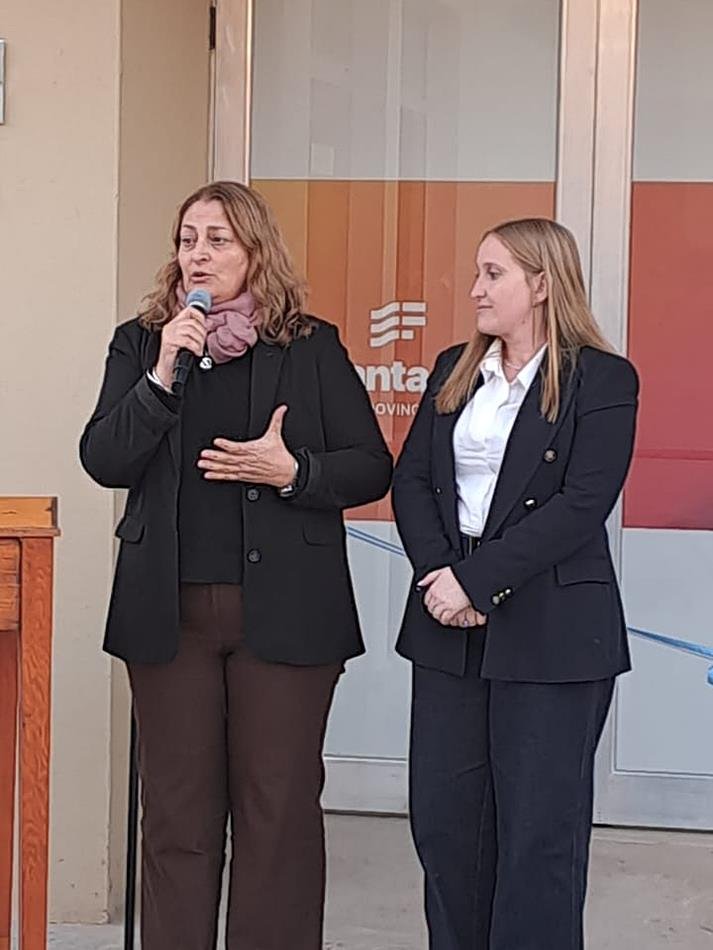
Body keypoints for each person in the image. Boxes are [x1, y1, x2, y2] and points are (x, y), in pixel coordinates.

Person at [80, 180, 392, 950]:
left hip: (285, 615)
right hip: (170, 619)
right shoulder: (143, 342)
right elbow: (104, 459)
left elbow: (369, 465)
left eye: (218, 239)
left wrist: (292, 472)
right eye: (188, 239)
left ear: (255, 251)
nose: (199, 253)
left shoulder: (308, 346)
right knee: (177, 818)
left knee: (276, 814)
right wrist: (161, 374)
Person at [392, 217, 639, 950]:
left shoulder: (603, 379)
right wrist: (440, 577)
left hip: (552, 631)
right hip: (447, 621)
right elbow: (412, 481)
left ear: (541, 284)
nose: (475, 289)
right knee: (446, 828)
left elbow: (581, 504)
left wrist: (475, 583)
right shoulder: (454, 369)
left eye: (493, 274)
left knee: (538, 836)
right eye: (477, 272)